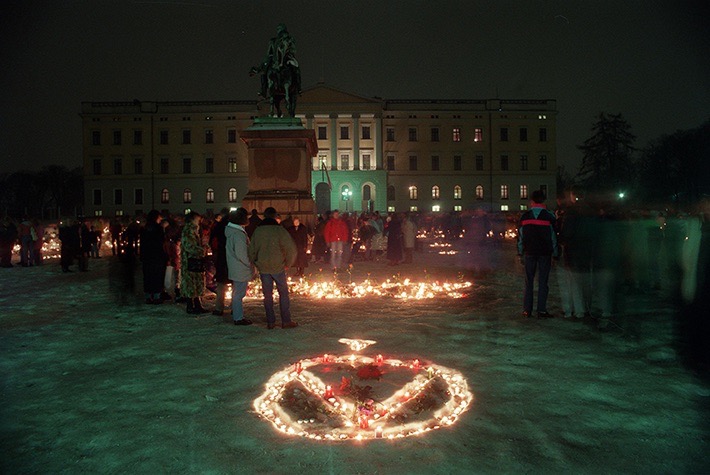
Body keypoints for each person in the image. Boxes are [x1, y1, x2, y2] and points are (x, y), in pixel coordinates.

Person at [248, 207, 298, 329]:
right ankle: (286, 321)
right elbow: (291, 249)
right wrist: (288, 263)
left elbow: (251, 249)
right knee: (283, 294)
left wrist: (255, 262)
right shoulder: (279, 230)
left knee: (267, 295)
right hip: (278, 267)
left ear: (264, 216)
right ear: (275, 216)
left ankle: (271, 321)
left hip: (263, 267)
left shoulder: (258, 231)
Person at [517, 190, 558, 318]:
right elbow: (553, 237)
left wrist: (520, 253)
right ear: (543, 200)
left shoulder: (525, 216)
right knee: (543, 281)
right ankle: (541, 310)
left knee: (529, 281)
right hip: (545, 253)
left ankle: (527, 310)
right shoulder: (549, 217)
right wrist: (555, 253)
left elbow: (520, 237)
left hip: (529, 252)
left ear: (532, 201)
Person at [225, 207, 253, 326]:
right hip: (240, 267)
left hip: (235, 266)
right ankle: (238, 317)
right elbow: (242, 253)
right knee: (239, 293)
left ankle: (235, 312)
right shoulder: (238, 234)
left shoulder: (232, 231)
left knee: (237, 292)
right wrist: (250, 264)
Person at [181, 211, 208, 314]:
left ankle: (197, 304)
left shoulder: (194, 230)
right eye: (197, 219)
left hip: (195, 260)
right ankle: (190, 305)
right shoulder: (188, 230)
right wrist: (202, 250)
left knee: (196, 283)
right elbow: (189, 246)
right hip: (190, 261)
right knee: (190, 283)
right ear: (192, 219)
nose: (199, 221)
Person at [140, 210, 168, 304]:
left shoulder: (145, 228)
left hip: (147, 256)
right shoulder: (158, 229)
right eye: (159, 218)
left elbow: (143, 243)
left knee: (148, 276)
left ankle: (148, 296)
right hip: (157, 256)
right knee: (157, 275)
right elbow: (161, 242)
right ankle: (156, 296)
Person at [209, 209, 230, 315]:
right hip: (231, 257)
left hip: (221, 257)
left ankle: (219, 307)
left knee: (221, 283)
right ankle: (235, 307)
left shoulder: (218, 227)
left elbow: (211, 240)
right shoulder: (232, 227)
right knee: (235, 283)